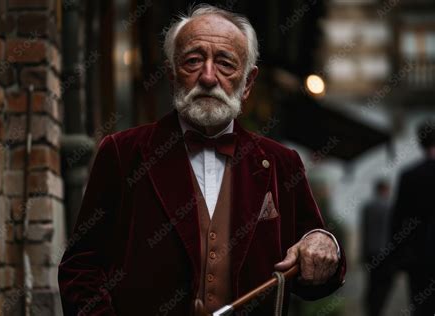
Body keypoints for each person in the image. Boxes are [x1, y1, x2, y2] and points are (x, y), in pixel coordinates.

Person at [58, 4, 346, 315]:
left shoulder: (282, 163)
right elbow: (81, 268)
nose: (208, 77)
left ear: (248, 83)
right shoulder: (122, 153)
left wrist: (324, 242)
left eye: (225, 64)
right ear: (171, 74)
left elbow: (316, 274)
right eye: (193, 61)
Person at [391, 120, 435, 315]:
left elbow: (398, 219)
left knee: (421, 308)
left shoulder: (409, 176)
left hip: (418, 258)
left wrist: (398, 257)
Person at [361, 179, 395, 316]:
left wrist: (363, 252)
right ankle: (377, 308)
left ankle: (371, 307)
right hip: (386, 252)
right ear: (385, 190)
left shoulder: (367, 207)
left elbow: (365, 231)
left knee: (372, 281)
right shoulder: (391, 206)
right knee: (384, 283)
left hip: (371, 251)